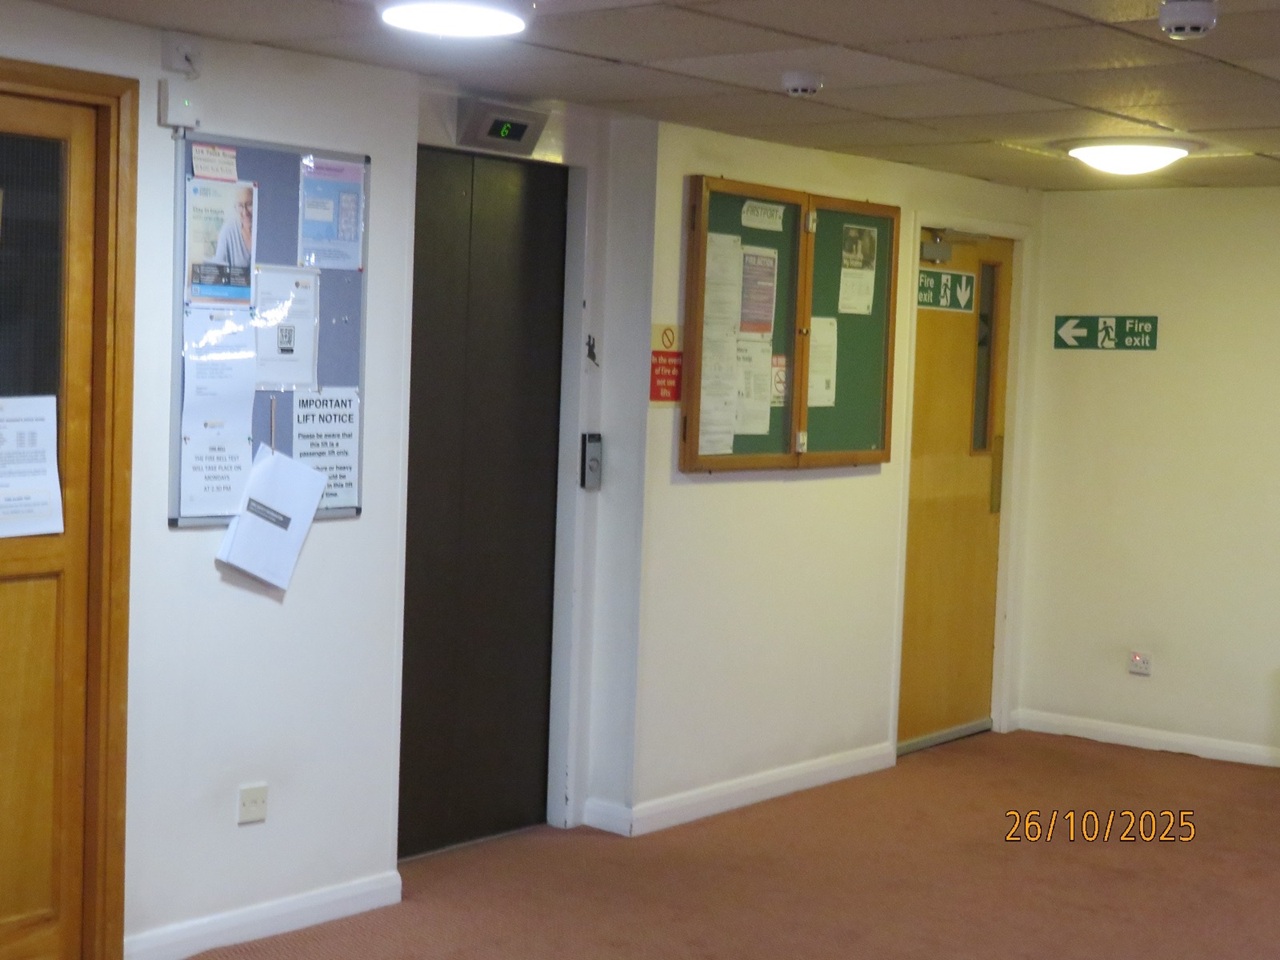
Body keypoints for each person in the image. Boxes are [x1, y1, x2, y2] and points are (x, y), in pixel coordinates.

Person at [214, 185, 254, 267]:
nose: (245, 213)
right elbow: (218, 267)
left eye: (249, 204)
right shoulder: (228, 229)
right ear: (235, 207)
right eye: (240, 206)